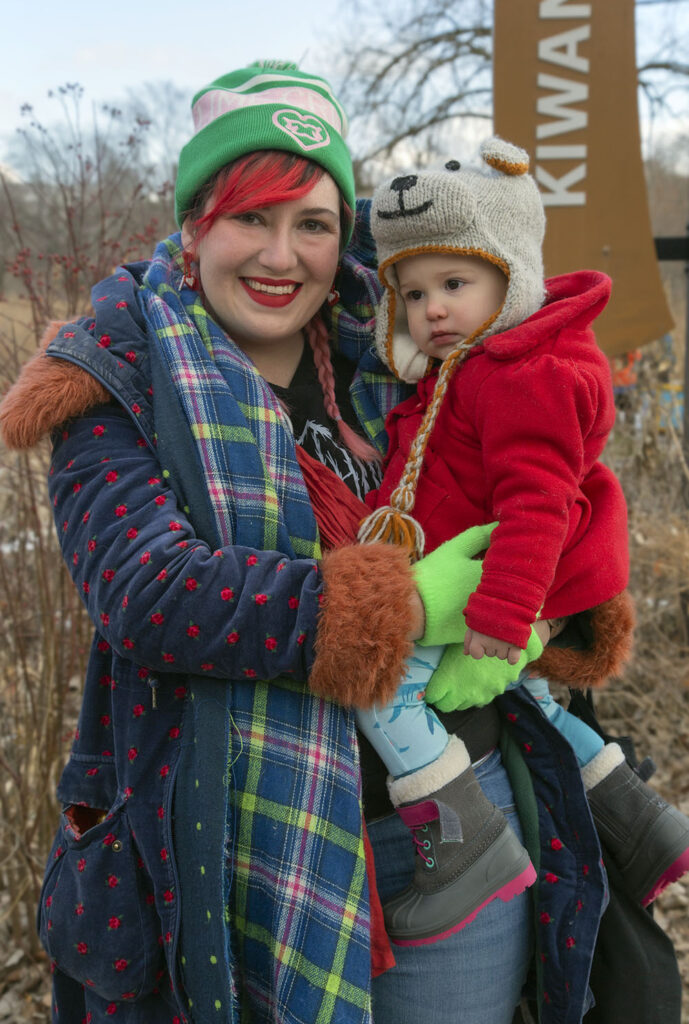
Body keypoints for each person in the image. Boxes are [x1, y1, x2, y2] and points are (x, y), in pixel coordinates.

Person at [0, 64, 641, 1024]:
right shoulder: (118, 379)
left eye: (313, 222)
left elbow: (555, 477)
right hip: (247, 849)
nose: (281, 253)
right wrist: (410, 604)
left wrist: (560, 584)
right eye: (249, 216)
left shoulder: (402, 340)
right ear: (194, 224)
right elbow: (148, 592)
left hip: (462, 825)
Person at [349, 139, 689, 949]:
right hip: (492, 577)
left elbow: (538, 501)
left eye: (455, 283)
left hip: (492, 584)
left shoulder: (519, 374)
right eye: (414, 291)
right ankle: (639, 824)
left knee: (379, 693)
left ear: (510, 274)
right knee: (529, 697)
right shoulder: (469, 366)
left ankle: (462, 850)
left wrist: (504, 617)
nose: (433, 308)